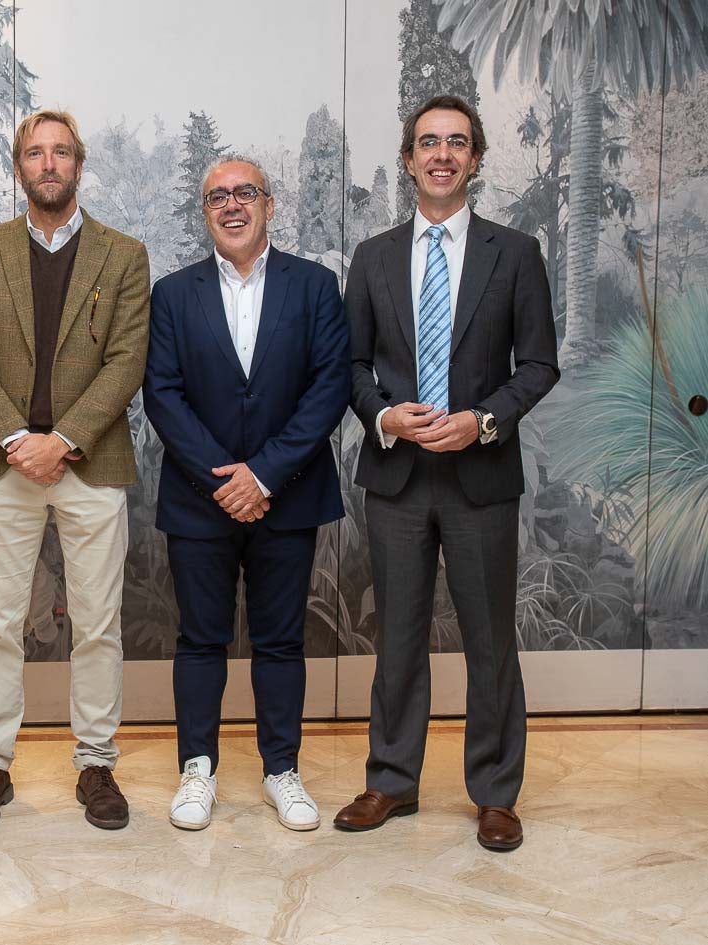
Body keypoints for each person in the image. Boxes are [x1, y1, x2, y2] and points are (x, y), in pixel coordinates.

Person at [335, 95, 559, 851]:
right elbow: (351, 367)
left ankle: (495, 794)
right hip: (397, 478)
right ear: (408, 160)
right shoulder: (373, 257)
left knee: (490, 641)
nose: (441, 154)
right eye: (428, 142)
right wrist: (385, 417)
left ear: (474, 159)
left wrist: (481, 421)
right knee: (397, 637)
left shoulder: (514, 253)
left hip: (481, 476)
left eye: (456, 142)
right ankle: (391, 780)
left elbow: (538, 365)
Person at [0, 109, 150, 831]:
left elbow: (126, 360)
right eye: (35, 153)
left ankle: (96, 763)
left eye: (61, 152)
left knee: (97, 624)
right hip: (3, 464)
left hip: (91, 463)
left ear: (78, 165)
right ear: (18, 168)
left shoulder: (123, 254)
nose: (48, 163)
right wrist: (16, 438)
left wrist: (61, 440)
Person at [144, 158, 350, 832]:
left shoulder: (314, 286)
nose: (231, 205)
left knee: (281, 641)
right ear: (204, 211)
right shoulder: (173, 293)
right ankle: (197, 769)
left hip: (287, 495)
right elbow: (162, 394)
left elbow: (328, 387)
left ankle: (280, 770)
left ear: (269, 204)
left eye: (244, 193)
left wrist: (261, 476)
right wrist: (225, 481)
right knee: (200, 639)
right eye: (216, 197)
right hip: (198, 500)